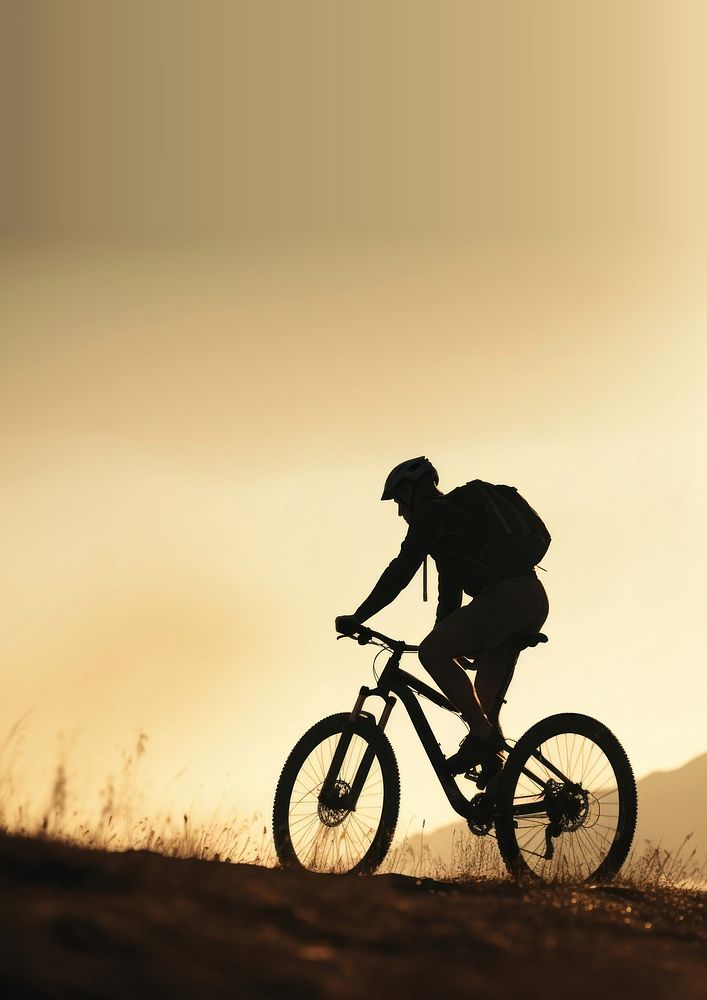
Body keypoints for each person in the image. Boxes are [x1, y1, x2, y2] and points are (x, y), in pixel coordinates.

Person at [335, 456, 549, 785]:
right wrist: (447, 637)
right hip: (529, 597)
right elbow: (449, 599)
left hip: (509, 597)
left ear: (412, 491)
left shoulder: (433, 514)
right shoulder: (453, 524)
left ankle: (480, 738)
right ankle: (498, 791)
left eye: (398, 501)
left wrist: (358, 616)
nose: (399, 512)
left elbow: (400, 572)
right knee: (481, 703)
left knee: (430, 654)